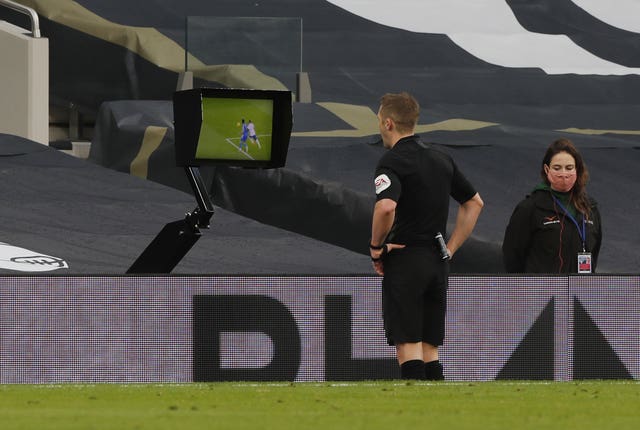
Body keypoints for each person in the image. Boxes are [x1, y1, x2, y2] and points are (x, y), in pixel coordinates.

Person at [369, 92, 484, 380]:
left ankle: (415, 416)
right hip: (437, 261)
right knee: (430, 347)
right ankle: (440, 415)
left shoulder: (392, 161)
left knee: (407, 345)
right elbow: (474, 203)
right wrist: (451, 249)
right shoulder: (441, 157)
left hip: (406, 258)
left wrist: (375, 248)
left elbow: (385, 207)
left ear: (388, 123)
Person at [502, 138, 602, 274]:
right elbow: (513, 256)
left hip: (579, 290)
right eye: (557, 168)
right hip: (542, 291)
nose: (564, 174)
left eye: (569, 168)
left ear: (577, 169)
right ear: (547, 169)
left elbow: (594, 251)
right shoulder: (530, 207)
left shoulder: (590, 208)